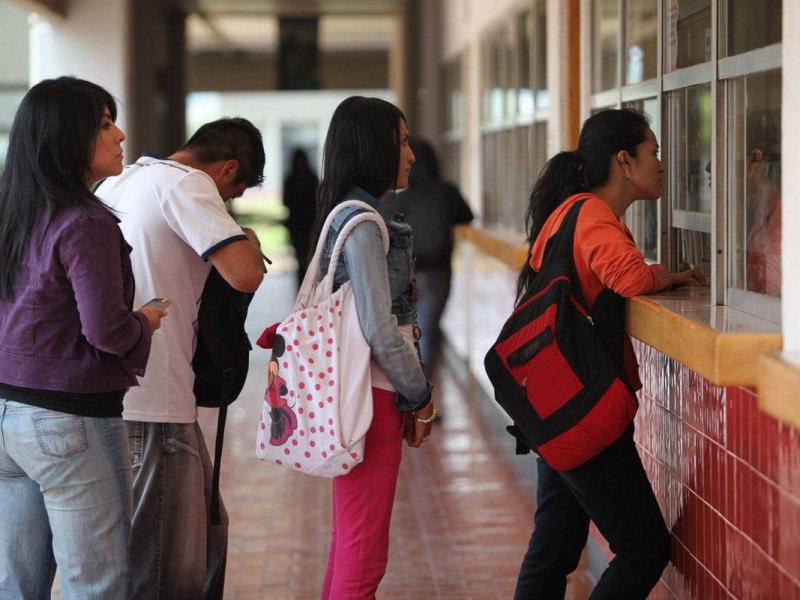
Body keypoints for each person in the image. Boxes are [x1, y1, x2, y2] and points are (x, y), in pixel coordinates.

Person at [512, 109, 705, 600]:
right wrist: (669, 275)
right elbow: (631, 278)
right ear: (624, 160)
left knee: (554, 547)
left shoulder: (567, 212)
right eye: (653, 152)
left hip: (552, 404)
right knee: (643, 549)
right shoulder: (593, 214)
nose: (661, 164)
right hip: (584, 407)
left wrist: (666, 273)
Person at [0, 76, 166, 599]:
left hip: (8, 417)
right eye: (103, 123)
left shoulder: (14, 215)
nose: (120, 135)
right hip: (71, 422)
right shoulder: (85, 222)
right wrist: (147, 320)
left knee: (16, 585)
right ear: (65, 137)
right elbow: (108, 331)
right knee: (96, 585)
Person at [95, 117, 266, 599]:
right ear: (228, 167)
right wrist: (248, 237)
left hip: (127, 392)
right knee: (167, 569)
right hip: (155, 398)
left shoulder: (122, 182)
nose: (227, 205)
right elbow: (244, 273)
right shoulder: (187, 185)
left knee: (207, 538)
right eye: (232, 194)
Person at [311, 96, 435, 599]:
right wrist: (420, 394)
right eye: (402, 142)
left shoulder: (348, 214)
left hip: (365, 396)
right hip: (374, 399)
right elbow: (382, 330)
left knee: (351, 542)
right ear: (372, 147)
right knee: (363, 554)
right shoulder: (363, 223)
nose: (410, 155)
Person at [386, 137, 473, 382]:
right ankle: (424, 396)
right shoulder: (445, 192)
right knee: (427, 335)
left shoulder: (394, 195)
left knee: (403, 334)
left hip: (402, 274)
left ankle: (406, 396)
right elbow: (467, 216)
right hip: (437, 273)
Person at [744, 109, 781, 297]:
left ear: (754, 160)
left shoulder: (786, 220)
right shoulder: (764, 215)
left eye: (719, 152)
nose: (708, 167)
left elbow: (771, 284)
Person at [283, 147, 319, 287]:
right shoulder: (311, 178)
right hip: (307, 223)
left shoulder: (291, 179)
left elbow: (285, 202)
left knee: (302, 258)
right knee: (307, 258)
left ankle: (304, 286)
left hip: (300, 224)